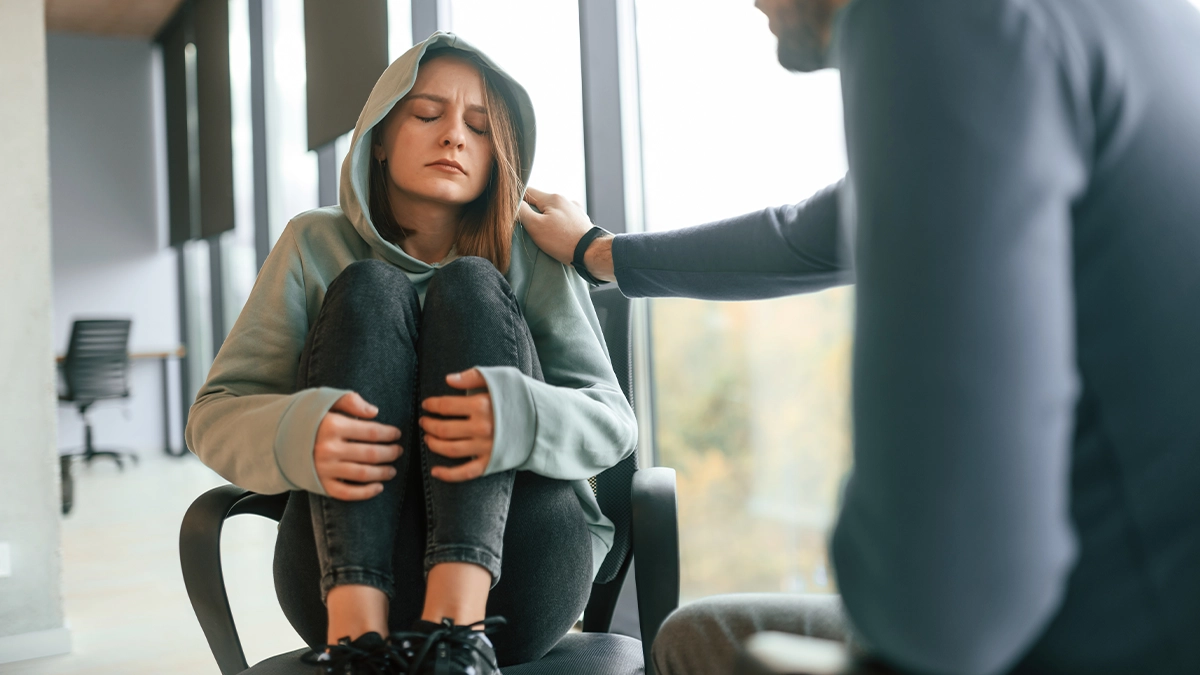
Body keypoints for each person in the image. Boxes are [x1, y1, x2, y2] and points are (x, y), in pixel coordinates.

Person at [517, 0, 1200, 673]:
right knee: (701, 632)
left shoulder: (932, 18)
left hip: (1107, 638)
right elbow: (807, 235)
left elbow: (947, 606)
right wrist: (603, 252)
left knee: (699, 644)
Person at [185, 32, 637, 675]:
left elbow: (613, 422)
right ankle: (357, 634)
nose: (454, 136)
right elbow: (215, 415)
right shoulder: (313, 244)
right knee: (368, 289)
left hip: (518, 583)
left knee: (471, 285)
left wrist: (523, 417)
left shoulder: (528, 250)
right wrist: (297, 433)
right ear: (380, 139)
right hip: (338, 577)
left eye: (479, 128)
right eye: (427, 114)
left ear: (498, 154)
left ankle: (460, 628)